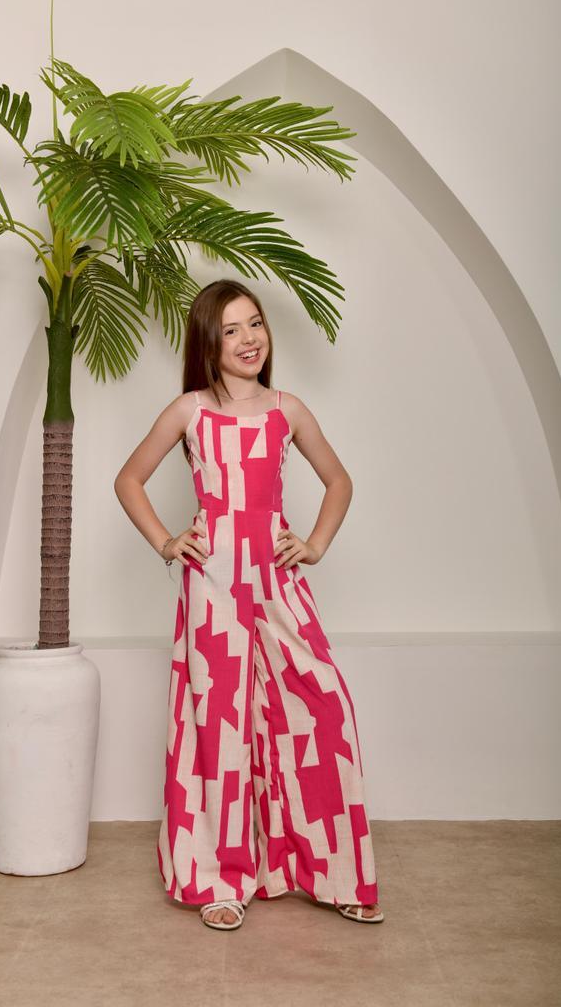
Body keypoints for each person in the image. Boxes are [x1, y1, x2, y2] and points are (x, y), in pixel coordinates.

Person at [114, 279, 383, 930]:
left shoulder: (288, 410)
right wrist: (167, 542)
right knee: (220, 731)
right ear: (208, 342)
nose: (247, 338)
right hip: (212, 589)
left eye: (255, 323)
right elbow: (128, 479)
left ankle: (334, 874)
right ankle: (220, 881)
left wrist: (314, 544)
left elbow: (339, 480)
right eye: (231, 329)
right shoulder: (190, 411)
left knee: (320, 710)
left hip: (277, 582)